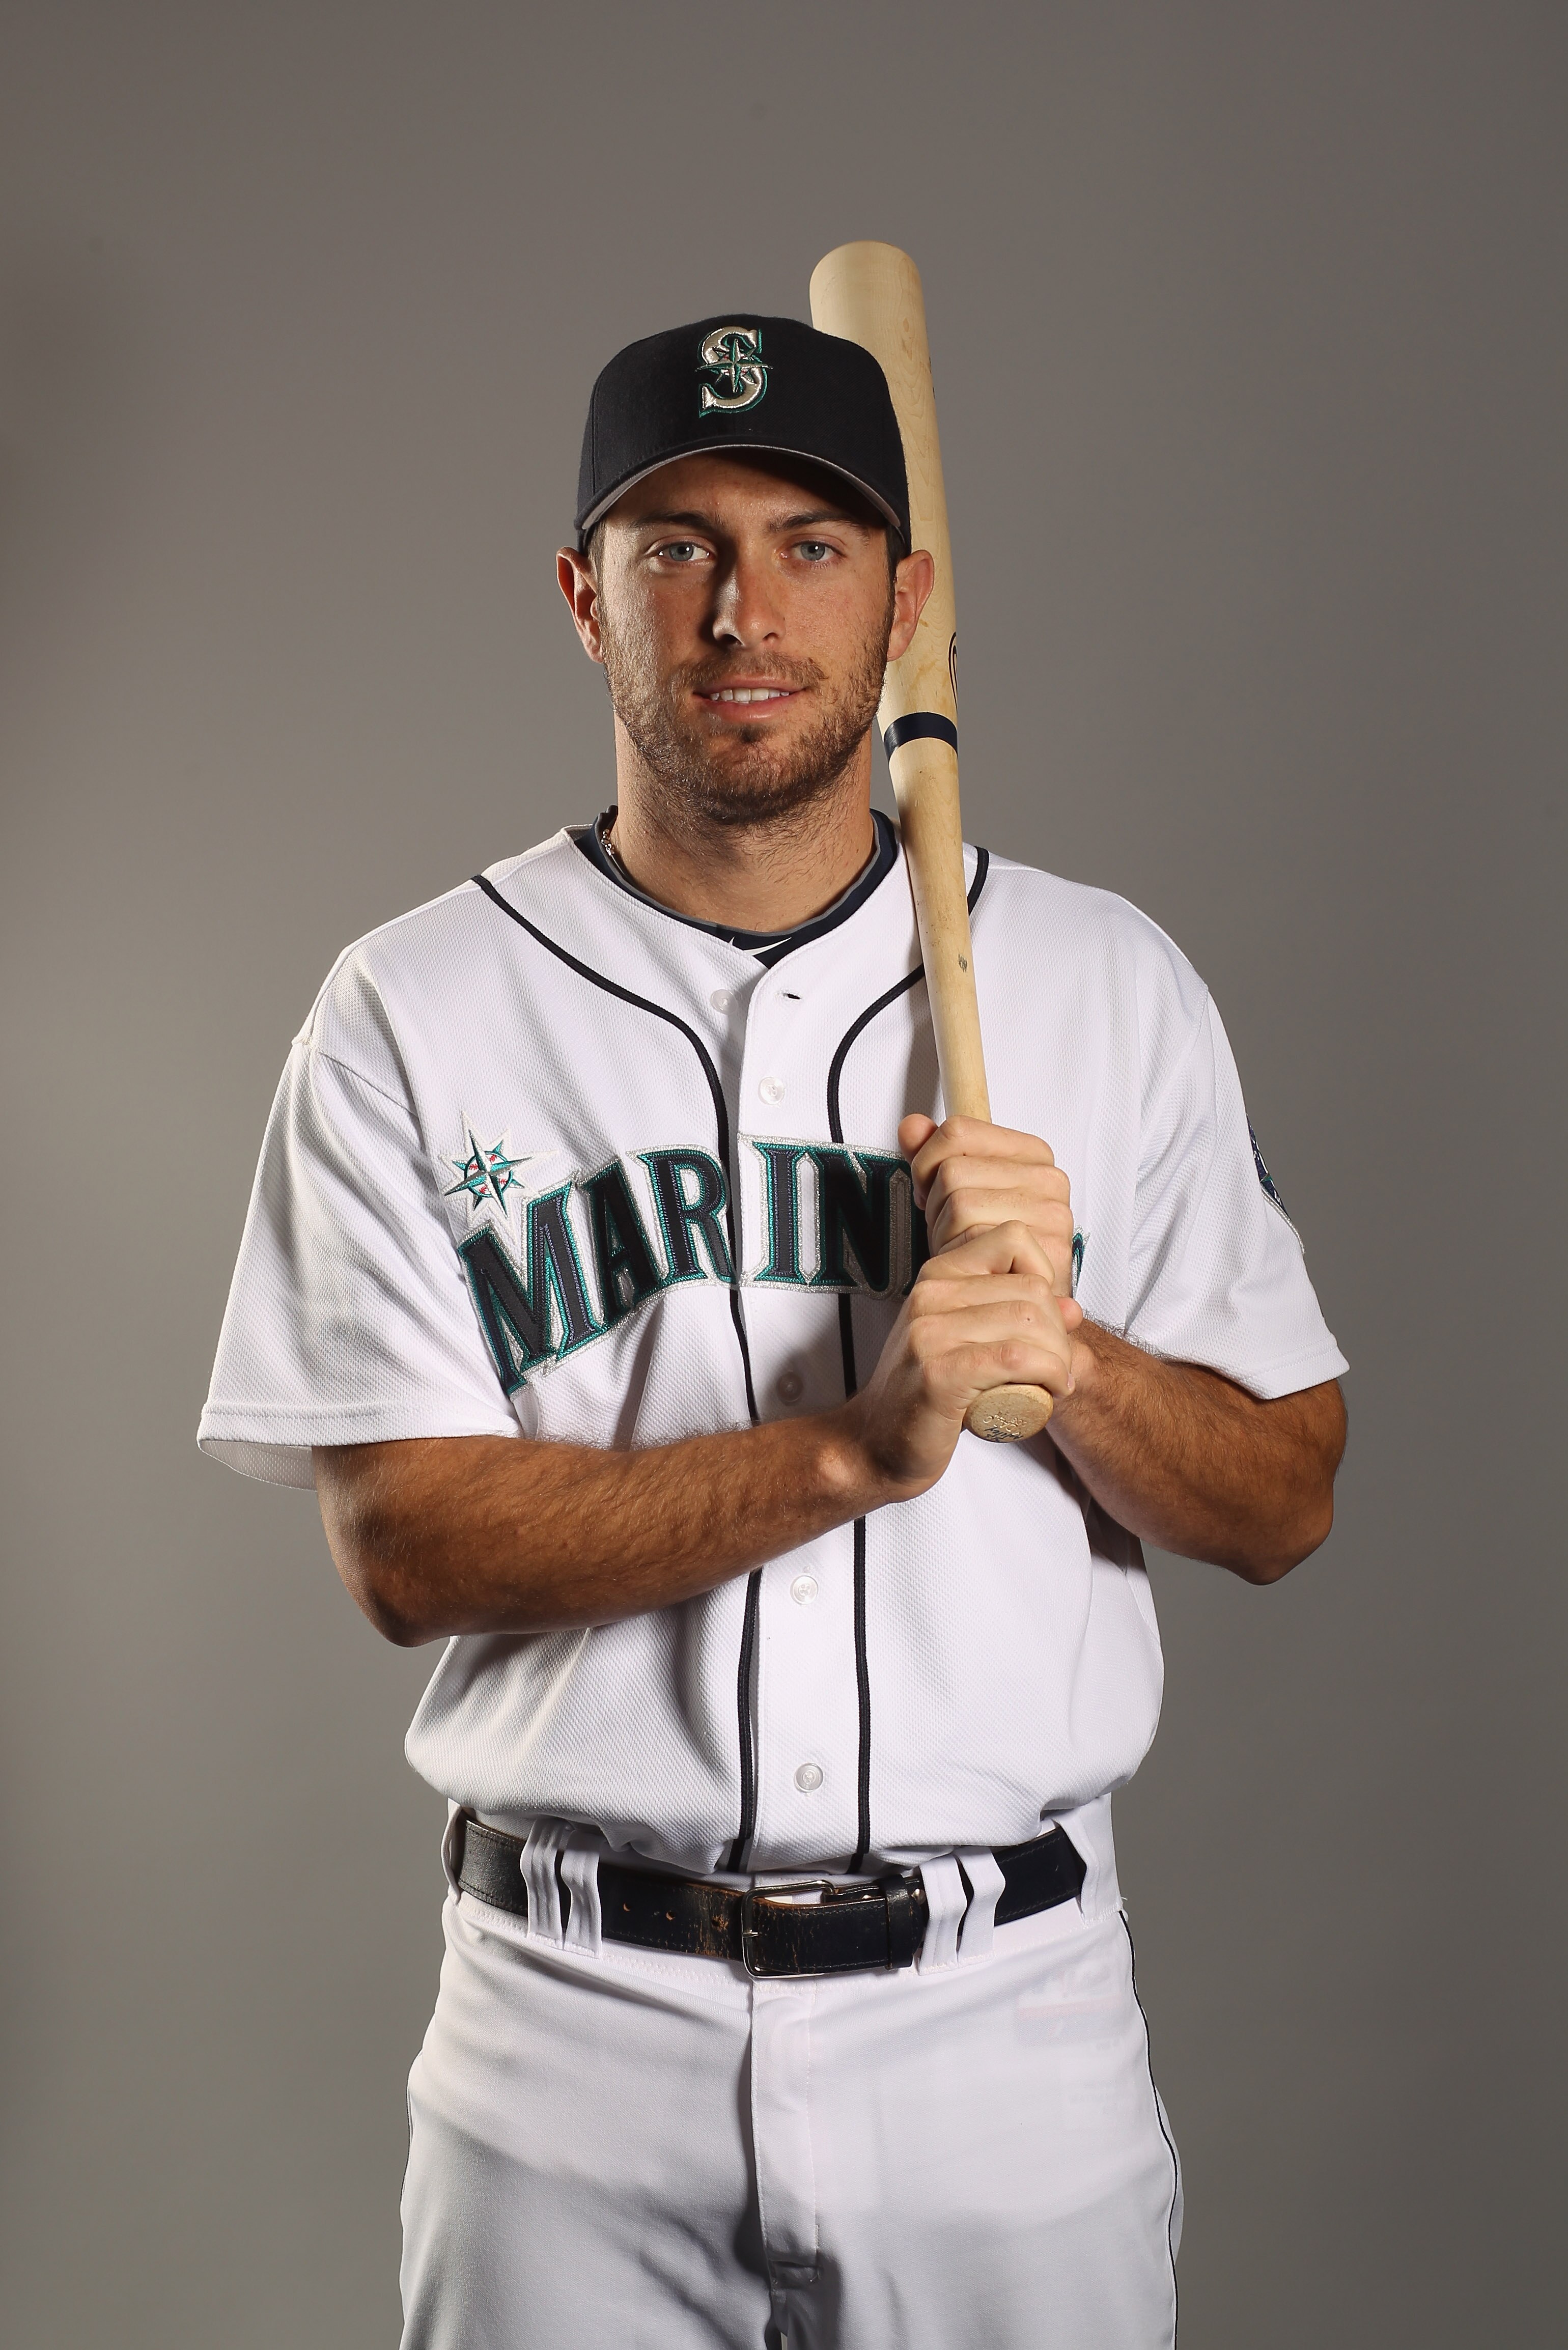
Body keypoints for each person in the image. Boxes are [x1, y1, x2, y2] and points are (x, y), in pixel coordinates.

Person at [201, 312, 1347, 2349]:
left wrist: (1065, 1355)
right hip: (567, 2039)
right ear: (585, 598)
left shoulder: (1103, 977)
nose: (743, 609)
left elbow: (1280, 1494)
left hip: (1003, 2032)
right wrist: (855, 1442)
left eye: (813, 543)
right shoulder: (411, 1005)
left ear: (908, 603)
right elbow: (409, 1547)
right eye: (677, 545)